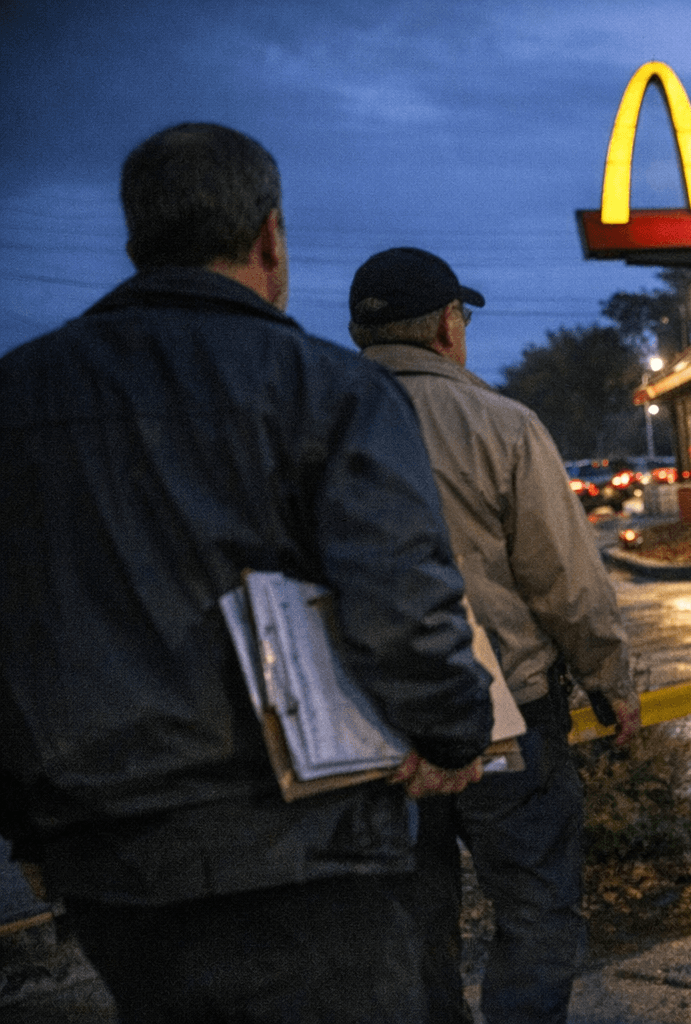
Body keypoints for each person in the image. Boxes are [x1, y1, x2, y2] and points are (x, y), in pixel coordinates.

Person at [0, 124, 494, 1023]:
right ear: (270, 236)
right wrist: (456, 735)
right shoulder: (327, 390)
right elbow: (404, 607)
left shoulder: (22, 396)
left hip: (109, 864)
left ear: (137, 236)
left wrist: (30, 821)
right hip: (308, 847)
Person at [347, 247, 643, 1024]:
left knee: (411, 929)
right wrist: (611, 682)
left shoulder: (315, 428)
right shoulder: (502, 426)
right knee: (536, 908)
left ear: (357, 334)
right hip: (506, 716)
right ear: (449, 327)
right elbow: (565, 581)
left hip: (372, 733)